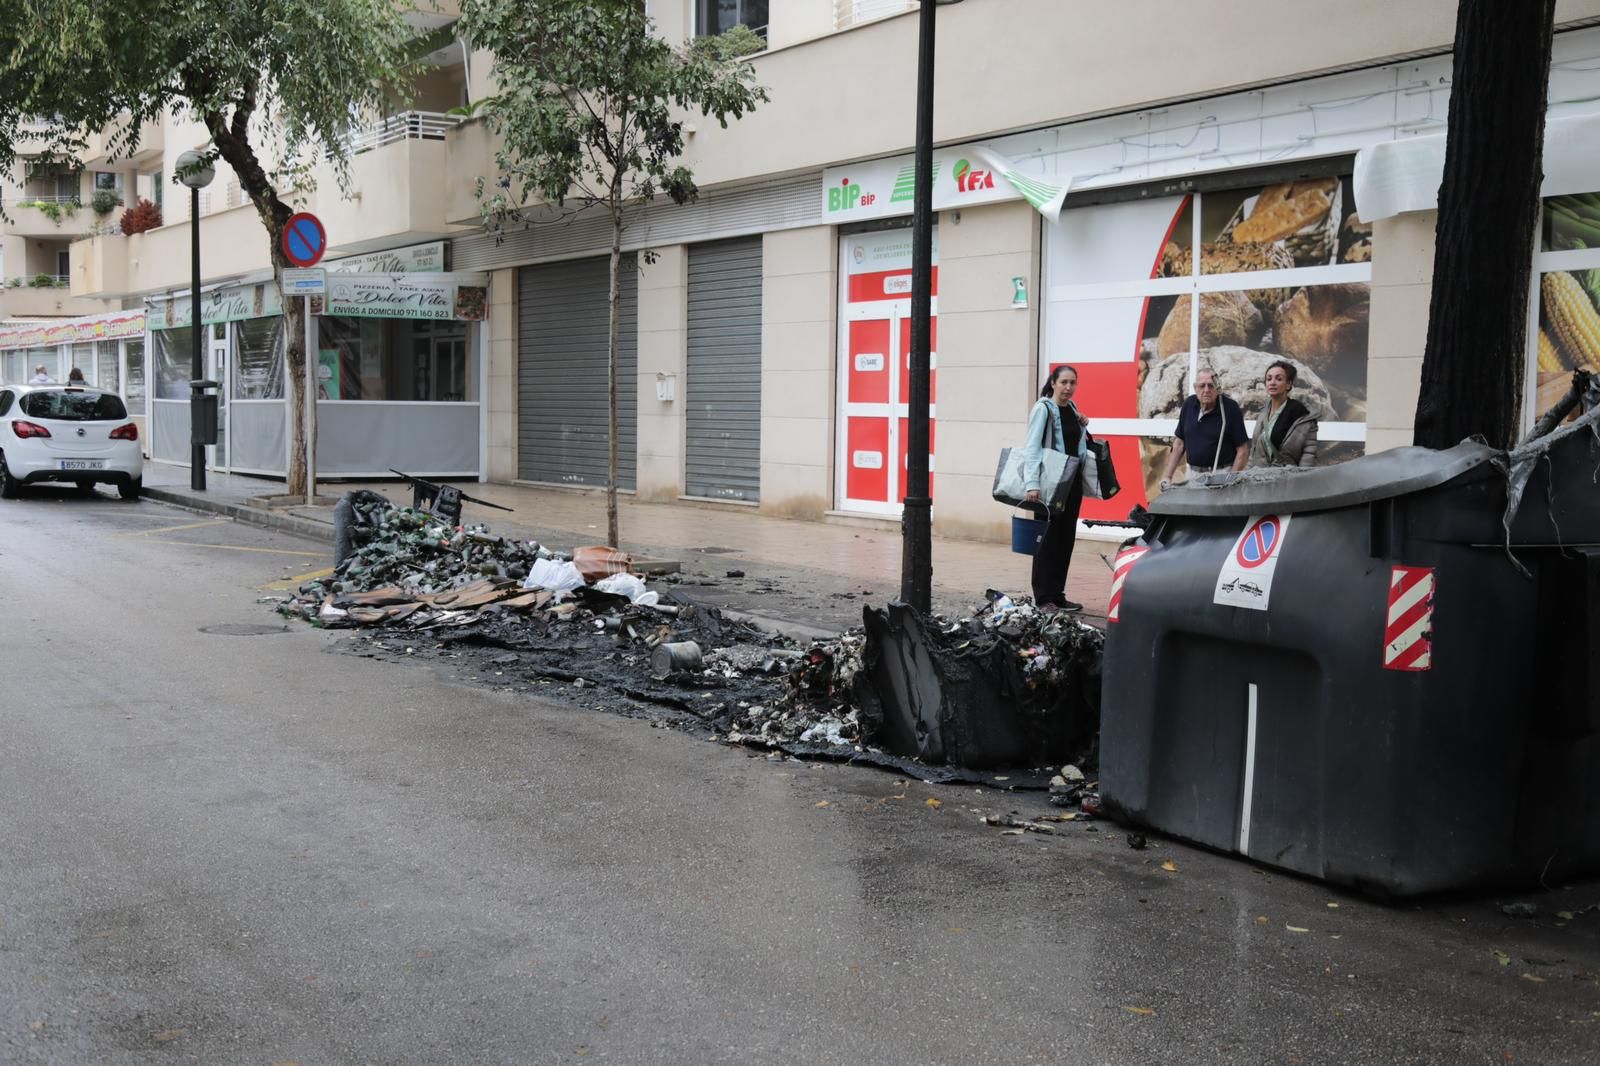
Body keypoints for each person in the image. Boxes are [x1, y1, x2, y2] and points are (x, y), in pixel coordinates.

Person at [1023, 364, 1089, 613]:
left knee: (1065, 540)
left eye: (1073, 382)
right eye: (1064, 382)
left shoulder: (1071, 408)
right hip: (1049, 484)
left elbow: (1073, 442)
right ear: (1053, 383)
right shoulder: (1043, 408)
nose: (1068, 387)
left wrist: (1082, 423)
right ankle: (1043, 597)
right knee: (1047, 541)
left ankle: (1057, 594)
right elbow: (1032, 447)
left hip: (1071, 483)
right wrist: (1032, 483)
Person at [1159, 367, 1248, 490]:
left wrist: (1230, 480)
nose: (1206, 390)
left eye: (1211, 386)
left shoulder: (1230, 408)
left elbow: (1242, 450)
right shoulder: (1189, 405)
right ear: (1195, 388)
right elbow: (1179, 444)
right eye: (1202, 386)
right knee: (1191, 509)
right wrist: (1168, 476)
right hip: (1193, 474)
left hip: (1221, 474)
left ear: (1217, 388)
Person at [1248, 359, 1319, 468]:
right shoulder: (1263, 413)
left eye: (1279, 379)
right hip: (1259, 479)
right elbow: (1253, 453)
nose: (1272, 382)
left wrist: (1301, 480)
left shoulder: (1302, 416)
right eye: (1269, 379)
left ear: (1288, 384)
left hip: (1287, 481)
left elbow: (1308, 454)